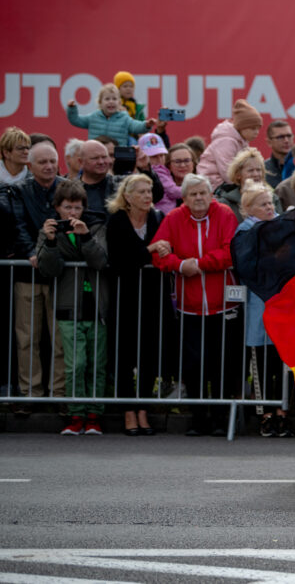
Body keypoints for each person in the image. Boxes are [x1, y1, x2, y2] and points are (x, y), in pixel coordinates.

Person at [151, 173, 240, 436]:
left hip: (223, 305)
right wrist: (179, 265)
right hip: (189, 306)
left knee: (221, 364)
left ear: (210, 194)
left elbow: (230, 251)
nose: (199, 198)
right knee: (194, 364)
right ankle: (198, 418)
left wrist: (198, 264)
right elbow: (159, 253)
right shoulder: (173, 218)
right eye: (193, 194)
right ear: (185, 198)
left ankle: (221, 418)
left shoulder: (224, 214)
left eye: (203, 192)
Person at [35, 181, 108, 435]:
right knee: (75, 364)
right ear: (57, 208)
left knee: (95, 364)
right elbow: (49, 269)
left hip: (97, 306)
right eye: (67, 208)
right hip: (68, 305)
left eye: (77, 207)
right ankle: (76, 414)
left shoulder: (96, 226)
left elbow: (100, 261)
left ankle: (94, 415)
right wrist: (51, 242)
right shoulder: (49, 230)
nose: (72, 214)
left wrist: (85, 236)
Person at [104, 173, 166, 435]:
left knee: (149, 355)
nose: (147, 196)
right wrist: (150, 251)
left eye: (149, 191)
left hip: (152, 295)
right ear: (127, 196)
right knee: (124, 356)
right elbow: (119, 260)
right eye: (141, 192)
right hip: (124, 295)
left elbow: (157, 254)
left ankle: (144, 410)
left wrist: (160, 252)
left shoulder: (156, 217)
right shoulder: (117, 220)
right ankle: (128, 412)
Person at [235, 180, 294, 438]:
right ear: (248, 208)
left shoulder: (283, 225)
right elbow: (248, 266)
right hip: (259, 310)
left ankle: (283, 413)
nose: (269, 207)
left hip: (284, 308)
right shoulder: (244, 232)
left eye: (270, 202)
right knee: (260, 366)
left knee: (283, 366)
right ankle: (265, 415)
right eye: (262, 204)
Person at [9, 142, 67, 407]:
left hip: (62, 275)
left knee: (60, 340)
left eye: (53, 161)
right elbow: (17, 225)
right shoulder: (19, 191)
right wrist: (31, 252)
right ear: (29, 166)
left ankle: (60, 394)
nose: (49, 166)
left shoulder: (67, 188)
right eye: (42, 162)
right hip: (28, 275)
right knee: (27, 338)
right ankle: (30, 393)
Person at [196, 99, 262, 190]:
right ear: (241, 127)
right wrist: (241, 186)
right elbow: (227, 172)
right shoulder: (226, 141)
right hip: (212, 184)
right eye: (253, 128)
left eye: (258, 128)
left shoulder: (242, 141)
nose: (257, 132)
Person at [65, 83, 155, 145]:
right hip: (96, 155)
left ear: (119, 103)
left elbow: (136, 126)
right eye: (107, 99)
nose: (111, 102)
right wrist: (72, 108)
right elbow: (76, 120)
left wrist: (146, 125)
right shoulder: (94, 117)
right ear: (100, 102)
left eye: (114, 99)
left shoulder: (124, 118)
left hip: (117, 157)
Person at [214, 147, 282, 222]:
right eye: (251, 170)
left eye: (259, 170)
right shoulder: (226, 203)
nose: (256, 174)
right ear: (238, 175)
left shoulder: (273, 199)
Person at [263, 120, 294, 188]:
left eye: (289, 136)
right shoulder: (262, 170)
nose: (286, 140)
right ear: (269, 142)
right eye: (280, 137)